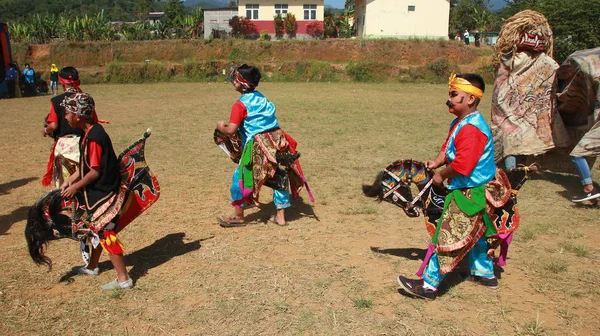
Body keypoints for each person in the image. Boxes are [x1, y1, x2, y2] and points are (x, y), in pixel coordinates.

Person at [397, 73, 498, 300]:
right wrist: (437, 161)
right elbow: (448, 148)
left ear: (471, 99)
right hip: (472, 189)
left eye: (454, 95)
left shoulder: (472, 129)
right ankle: (484, 273)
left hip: (470, 191)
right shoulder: (460, 123)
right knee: (476, 233)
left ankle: (429, 286)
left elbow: (463, 165)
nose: (449, 99)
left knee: (448, 236)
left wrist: (441, 175)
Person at [216, 64, 312, 227]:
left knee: (240, 177)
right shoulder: (261, 97)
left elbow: (231, 130)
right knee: (278, 177)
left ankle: (238, 216)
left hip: (257, 147)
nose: (233, 82)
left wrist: (221, 127)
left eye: (235, 79)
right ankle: (280, 217)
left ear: (240, 83)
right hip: (277, 142)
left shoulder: (239, 105)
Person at [60, 92, 132, 290]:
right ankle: (92, 265)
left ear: (78, 115)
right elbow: (85, 166)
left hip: (105, 193)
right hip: (97, 193)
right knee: (97, 230)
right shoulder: (89, 133)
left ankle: (123, 279)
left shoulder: (95, 137)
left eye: (68, 113)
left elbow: (93, 172)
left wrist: (75, 187)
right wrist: (70, 179)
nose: (65, 117)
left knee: (106, 232)